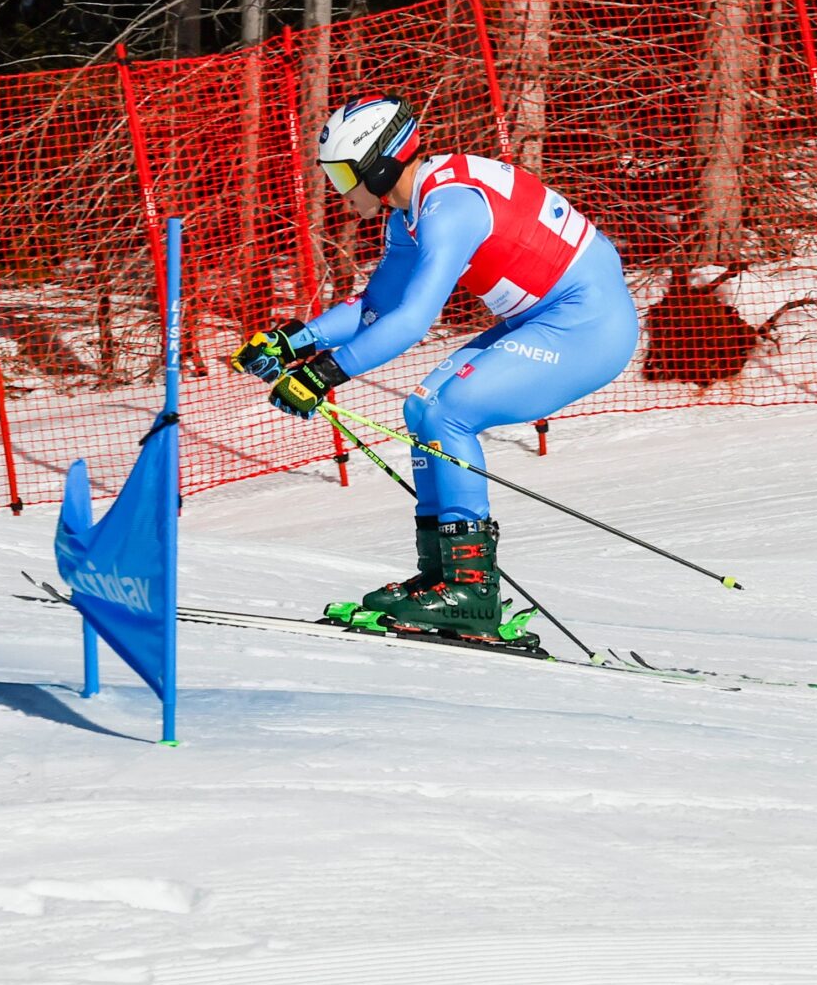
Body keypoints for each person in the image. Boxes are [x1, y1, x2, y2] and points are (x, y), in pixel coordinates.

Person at [232, 95, 639, 638]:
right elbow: (377, 308)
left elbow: (412, 322)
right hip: (548, 318)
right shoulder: (414, 211)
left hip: (588, 328)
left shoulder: (450, 210)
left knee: (450, 412)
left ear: (379, 165)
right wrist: (294, 342)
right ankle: (443, 574)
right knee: (421, 409)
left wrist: (323, 374)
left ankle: (472, 589)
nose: (339, 190)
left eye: (342, 176)